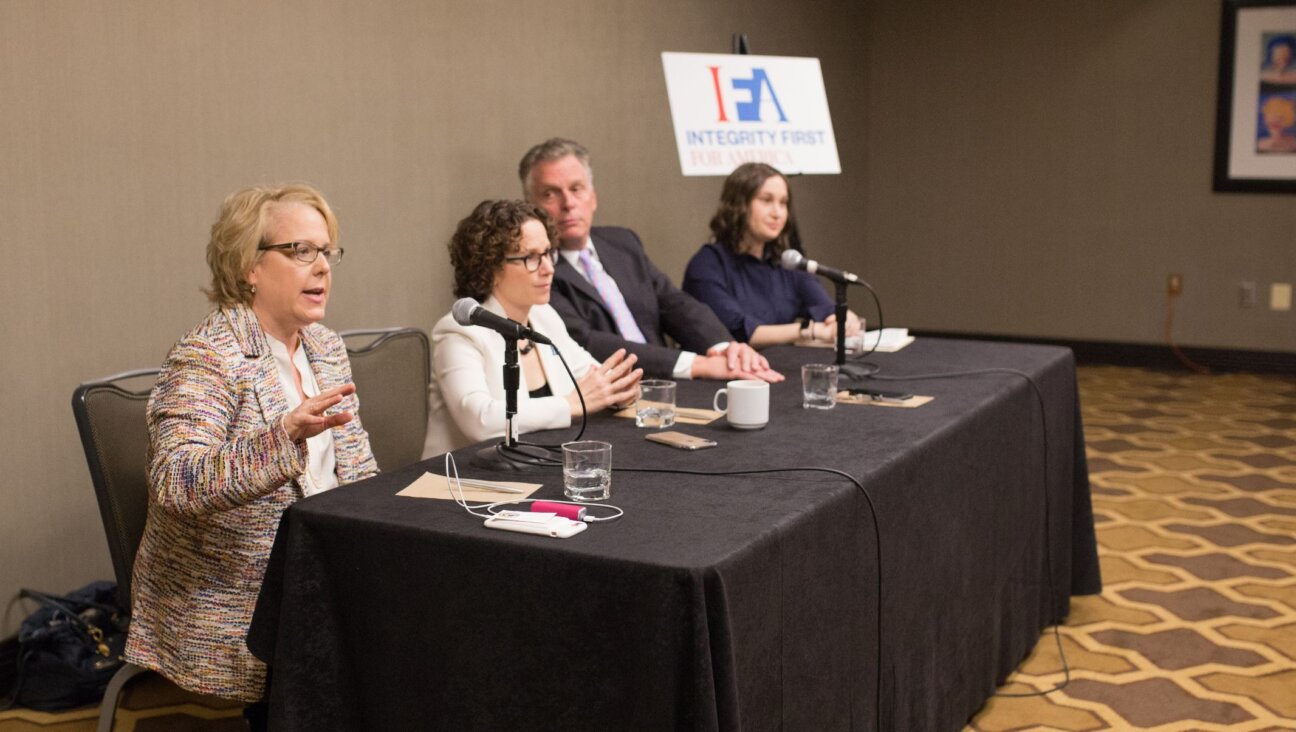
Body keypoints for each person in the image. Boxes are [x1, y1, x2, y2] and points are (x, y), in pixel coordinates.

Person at [125, 185, 378, 722]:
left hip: (323, 571)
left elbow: (356, 471)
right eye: (300, 251)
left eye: (327, 251)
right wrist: (282, 434)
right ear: (250, 267)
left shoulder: (325, 345)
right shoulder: (208, 356)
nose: (322, 267)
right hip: (238, 595)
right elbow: (176, 481)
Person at [518, 138, 783, 382]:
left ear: (593, 197)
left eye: (577, 189)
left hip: (666, 384)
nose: (568, 203)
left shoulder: (623, 242)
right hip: (607, 397)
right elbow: (585, 341)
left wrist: (725, 349)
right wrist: (696, 364)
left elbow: (674, 303)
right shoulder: (534, 269)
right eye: (550, 194)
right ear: (531, 206)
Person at [422, 199, 642, 457]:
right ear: (490, 265)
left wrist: (617, 391)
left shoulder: (543, 316)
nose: (549, 269)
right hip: (463, 480)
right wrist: (569, 404)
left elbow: (593, 379)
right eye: (531, 258)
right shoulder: (458, 333)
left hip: (537, 465)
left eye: (548, 253)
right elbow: (479, 421)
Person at [682, 162, 862, 347]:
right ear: (738, 205)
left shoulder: (786, 261)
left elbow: (824, 307)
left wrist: (843, 319)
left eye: (783, 203)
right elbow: (739, 331)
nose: (777, 213)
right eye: (766, 200)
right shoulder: (707, 265)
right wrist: (807, 330)